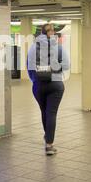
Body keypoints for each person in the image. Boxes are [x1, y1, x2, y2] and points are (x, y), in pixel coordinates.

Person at [27, 23, 70, 156]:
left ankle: (48, 136)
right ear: (52, 33)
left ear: (40, 33)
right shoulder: (58, 47)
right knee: (51, 113)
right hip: (56, 84)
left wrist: (35, 79)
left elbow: (29, 67)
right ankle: (49, 145)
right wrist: (54, 70)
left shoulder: (33, 47)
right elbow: (67, 65)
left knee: (44, 111)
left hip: (38, 85)